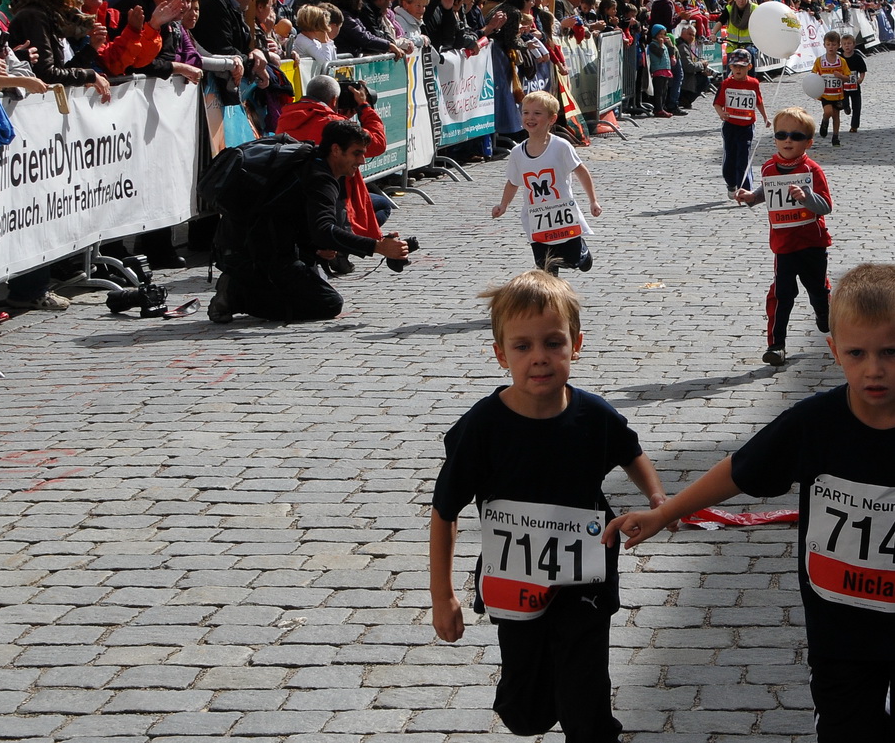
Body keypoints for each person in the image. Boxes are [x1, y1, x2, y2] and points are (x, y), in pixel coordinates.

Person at [602, 263, 895, 740]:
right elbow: (739, 471)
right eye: (857, 353)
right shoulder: (813, 424)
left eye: (891, 352)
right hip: (839, 632)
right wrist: (664, 512)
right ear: (834, 351)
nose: (874, 368)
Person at [429, 270, 669, 742]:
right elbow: (444, 511)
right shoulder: (482, 428)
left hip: (586, 579)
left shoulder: (594, 415)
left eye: (553, 343)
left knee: (586, 700)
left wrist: (657, 498)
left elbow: (632, 453)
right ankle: (536, 702)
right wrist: (442, 594)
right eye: (522, 347)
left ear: (575, 345)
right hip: (514, 582)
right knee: (526, 712)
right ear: (501, 355)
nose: (539, 358)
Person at [207, 120, 411, 324]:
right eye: (357, 153)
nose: (362, 161)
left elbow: (295, 217)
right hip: (250, 252)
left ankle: (244, 285)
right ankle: (235, 294)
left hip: (249, 244)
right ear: (336, 150)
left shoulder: (314, 162)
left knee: (314, 280)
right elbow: (323, 230)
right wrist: (378, 247)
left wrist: (316, 248)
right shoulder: (319, 177)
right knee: (328, 303)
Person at [733, 106, 832, 367]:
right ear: (775, 138)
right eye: (782, 134)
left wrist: (807, 197)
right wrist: (750, 197)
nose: (788, 140)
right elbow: (766, 191)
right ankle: (776, 345)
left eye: (796, 136)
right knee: (781, 295)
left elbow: (826, 207)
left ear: (808, 142)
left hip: (812, 243)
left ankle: (824, 310)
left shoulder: (813, 170)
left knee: (817, 290)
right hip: (783, 246)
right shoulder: (768, 168)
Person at [277, 75, 393, 253]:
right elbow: (377, 143)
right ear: (334, 100)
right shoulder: (333, 123)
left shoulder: (285, 117)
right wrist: (363, 106)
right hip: (334, 190)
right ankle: (345, 243)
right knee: (382, 205)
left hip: (293, 191)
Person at [492, 91, 602, 273]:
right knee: (545, 266)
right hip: (536, 217)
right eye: (526, 112)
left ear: (551, 119)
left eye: (537, 113)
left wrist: (593, 201)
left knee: (573, 260)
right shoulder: (517, 153)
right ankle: (550, 299)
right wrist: (503, 205)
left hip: (563, 214)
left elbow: (581, 172)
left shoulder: (561, 146)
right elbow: (513, 182)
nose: (530, 117)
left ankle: (582, 254)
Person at [714, 49, 768, 199]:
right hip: (730, 126)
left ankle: (745, 189)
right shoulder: (726, 84)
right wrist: (721, 113)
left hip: (747, 126)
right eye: (735, 66)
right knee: (730, 157)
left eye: (742, 66)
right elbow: (717, 103)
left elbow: (759, 102)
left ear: (749, 67)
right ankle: (731, 183)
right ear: (730, 67)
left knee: (743, 158)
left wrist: (765, 117)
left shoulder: (754, 83)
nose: (738, 69)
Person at [811, 29, 849, 146]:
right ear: (824, 45)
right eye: (828, 44)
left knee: (836, 116)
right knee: (828, 112)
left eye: (833, 45)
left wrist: (841, 76)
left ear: (838, 46)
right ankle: (825, 120)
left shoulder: (841, 61)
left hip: (837, 94)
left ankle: (835, 137)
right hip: (826, 94)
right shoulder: (819, 61)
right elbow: (813, 75)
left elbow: (848, 78)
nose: (831, 47)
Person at [839, 31, 867, 133]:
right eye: (844, 44)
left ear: (854, 45)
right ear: (841, 46)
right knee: (844, 102)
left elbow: (863, 70)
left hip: (855, 86)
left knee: (857, 107)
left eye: (849, 44)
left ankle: (854, 126)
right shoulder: (840, 58)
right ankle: (846, 107)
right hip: (843, 86)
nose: (847, 46)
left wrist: (861, 78)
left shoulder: (857, 58)